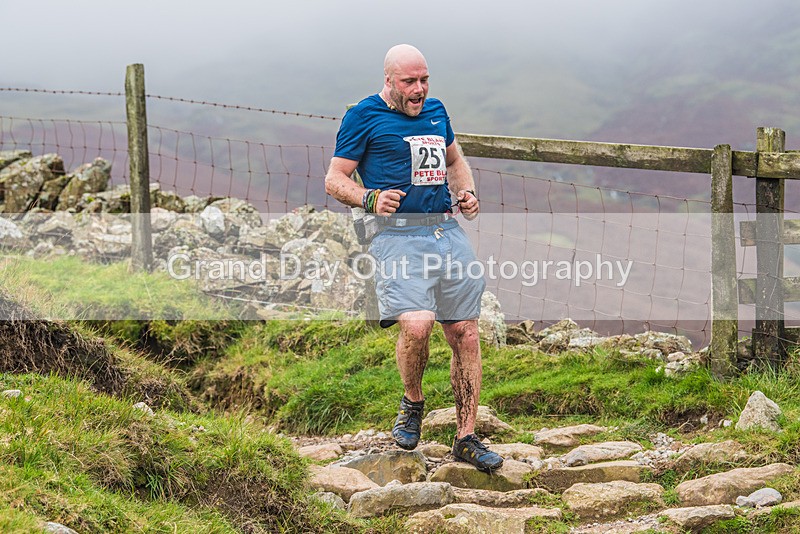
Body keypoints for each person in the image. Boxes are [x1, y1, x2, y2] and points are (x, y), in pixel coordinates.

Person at [324, 44, 503, 472]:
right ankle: (413, 401)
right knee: (418, 324)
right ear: (389, 80)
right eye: (409, 82)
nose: (419, 89)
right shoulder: (363, 116)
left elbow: (455, 160)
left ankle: (466, 437)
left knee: (466, 332)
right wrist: (369, 198)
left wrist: (468, 193)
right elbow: (335, 178)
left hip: (445, 229)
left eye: (424, 80)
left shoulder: (437, 111)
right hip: (397, 236)